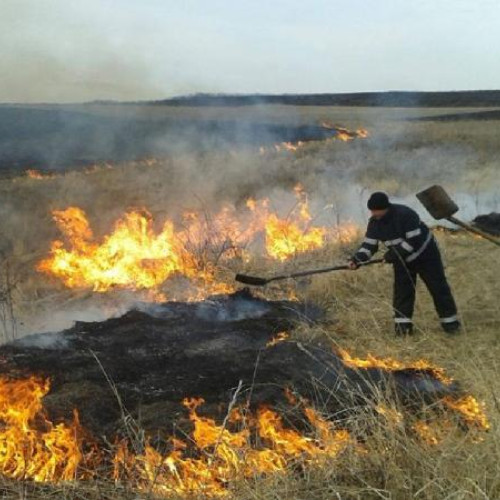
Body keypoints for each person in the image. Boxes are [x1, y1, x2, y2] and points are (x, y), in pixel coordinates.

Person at [349, 192, 460, 335]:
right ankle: (403, 329)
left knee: (438, 287)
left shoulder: (406, 214)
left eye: (377, 210)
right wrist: (357, 259)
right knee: (403, 292)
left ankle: (450, 324)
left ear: (386, 207)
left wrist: (391, 255)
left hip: (426, 255)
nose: (374, 214)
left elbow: (413, 242)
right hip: (402, 259)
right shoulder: (374, 223)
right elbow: (369, 245)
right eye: (372, 211)